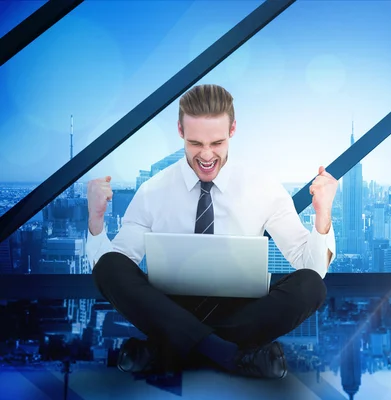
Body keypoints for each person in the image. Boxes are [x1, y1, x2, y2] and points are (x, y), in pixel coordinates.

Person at [86, 84, 337, 380]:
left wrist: (323, 215)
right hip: (170, 308)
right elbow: (114, 268)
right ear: (180, 131)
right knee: (109, 266)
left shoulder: (263, 188)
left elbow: (310, 267)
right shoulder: (153, 191)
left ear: (232, 130)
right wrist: (96, 221)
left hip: (241, 313)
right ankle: (231, 355)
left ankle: (168, 350)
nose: (206, 156)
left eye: (216, 143)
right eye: (195, 143)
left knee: (310, 286)